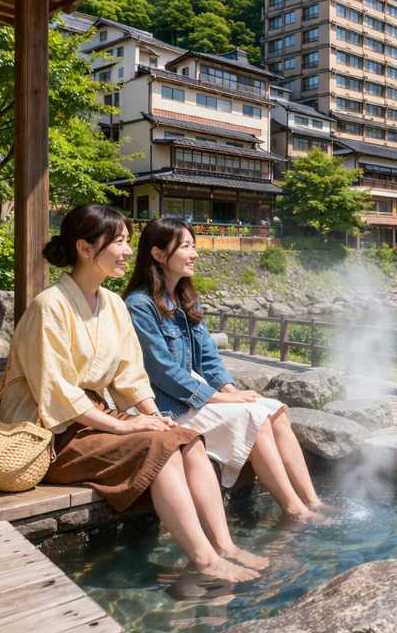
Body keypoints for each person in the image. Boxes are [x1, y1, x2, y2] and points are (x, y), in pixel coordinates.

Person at [0, 204, 267, 582]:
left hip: (93, 418)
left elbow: (130, 375)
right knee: (160, 448)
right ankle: (204, 560)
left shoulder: (111, 303)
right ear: (85, 248)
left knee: (185, 438)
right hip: (50, 431)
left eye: (127, 241)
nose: (128, 251)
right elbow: (57, 393)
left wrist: (153, 415)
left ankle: (225, 546)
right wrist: (125, 426)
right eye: (119, 242)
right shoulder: (50, 306)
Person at [124, 218, 326, 521]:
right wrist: (220, 398)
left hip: (195, 396)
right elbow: (161, 370)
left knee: (277, 412)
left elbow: (208, 355)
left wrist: (231, 390)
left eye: (194, 246)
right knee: (255, 419)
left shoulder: (185, 299)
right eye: (186, 247)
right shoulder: (140, 305)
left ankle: (313, 501)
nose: (195, 254)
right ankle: (294, 509)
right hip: (169, 404)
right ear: (158, 254)